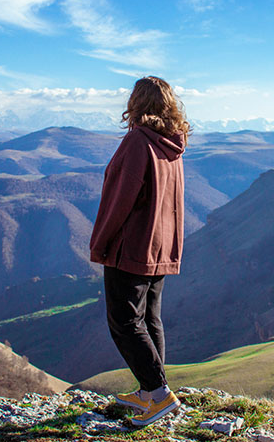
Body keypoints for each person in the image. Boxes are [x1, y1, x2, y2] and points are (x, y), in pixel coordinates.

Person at [89, 76, 190, 426]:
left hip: (131, 246)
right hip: (160, 246)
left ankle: (159, 395)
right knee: (149, 318)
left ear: (136, 102)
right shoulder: (172, 144)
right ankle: (151, 392)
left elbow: (120, 200)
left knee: (124, 320)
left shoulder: (137, 142)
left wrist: (100, 241)